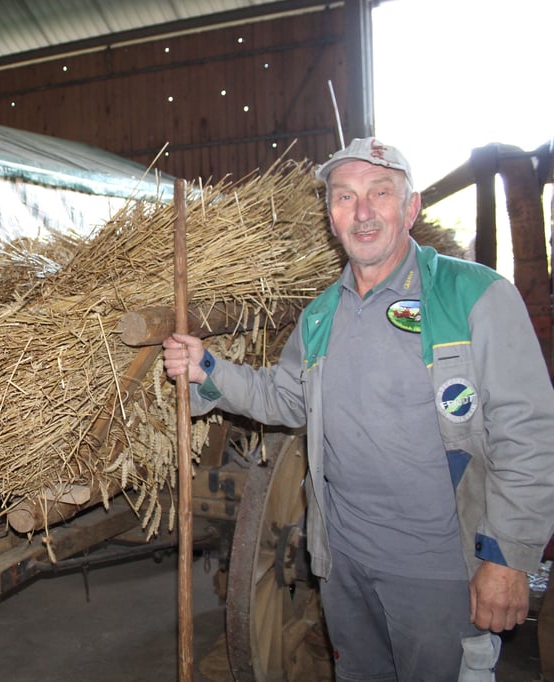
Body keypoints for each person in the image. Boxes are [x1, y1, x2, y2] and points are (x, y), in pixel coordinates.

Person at [163, 137, 554, 680]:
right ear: (331, 216)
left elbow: (530, 437)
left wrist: (507, 558)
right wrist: (209, 369)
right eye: (345, 198)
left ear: (411, 207)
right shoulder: (321, 316)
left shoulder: (475, 297)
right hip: (344, 567)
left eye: (380, 193)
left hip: (442, 575)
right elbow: (285, 397)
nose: (363, 212)